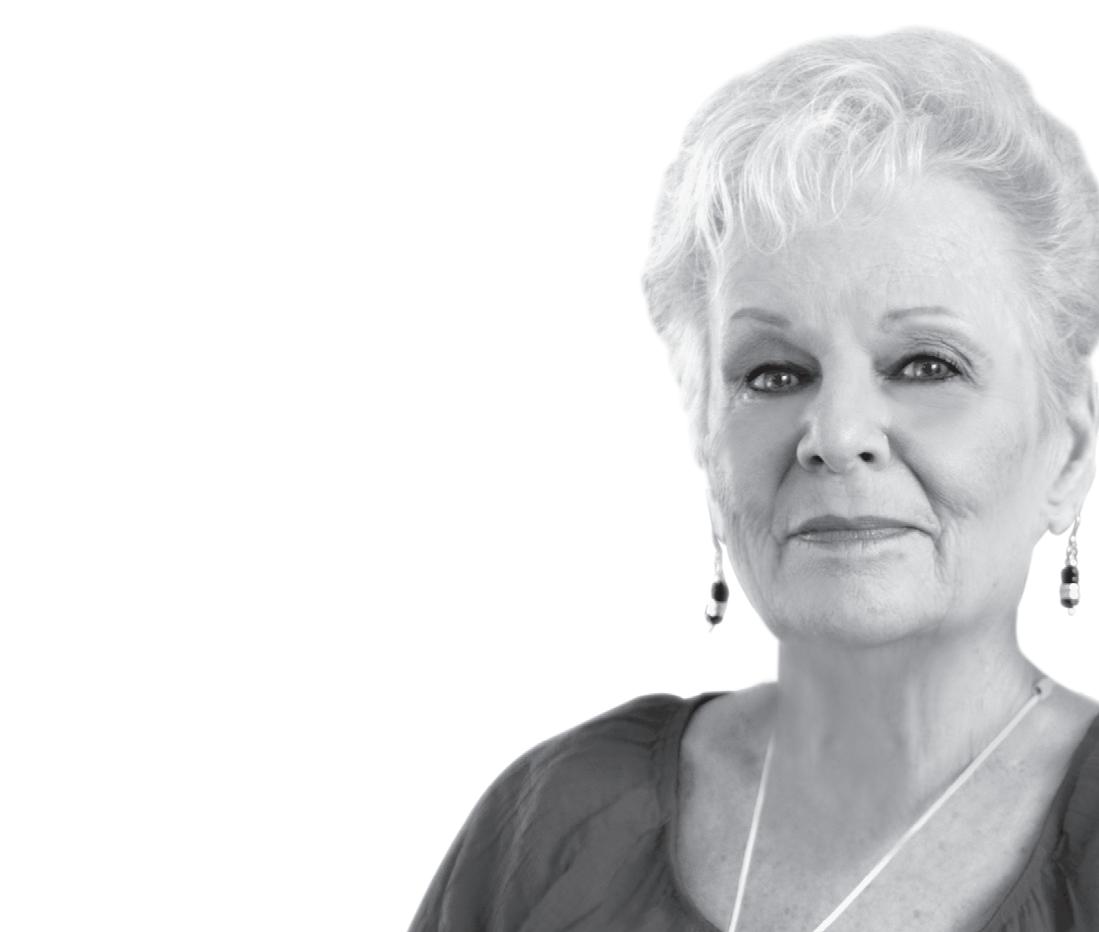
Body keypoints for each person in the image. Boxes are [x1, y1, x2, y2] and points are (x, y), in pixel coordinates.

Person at [408, 28, 1099, 932]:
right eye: (773, 374)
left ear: (1068, 454)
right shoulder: (555, 826)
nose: (836, 436)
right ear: (709, 444)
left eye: (925, 365)